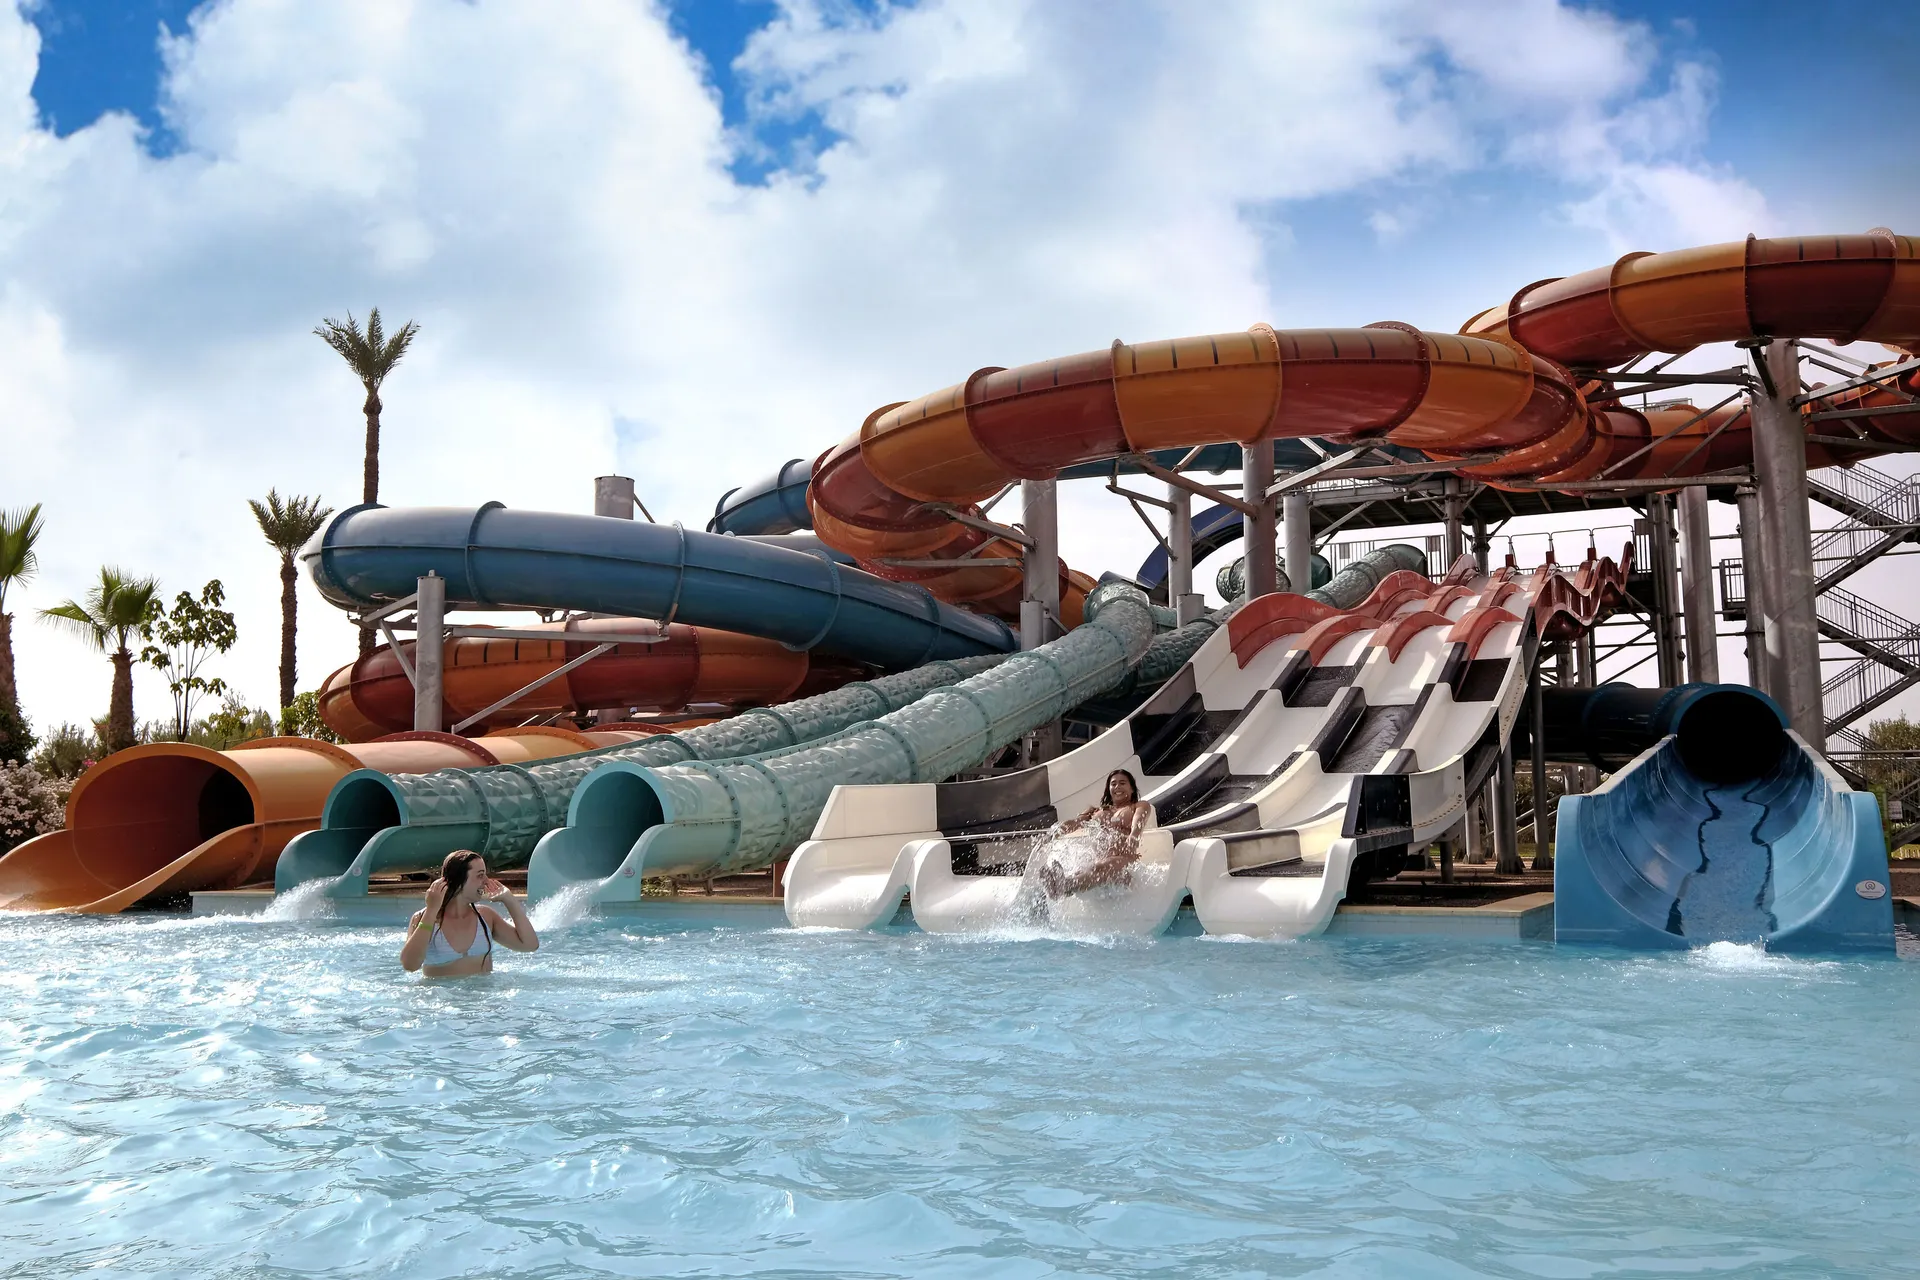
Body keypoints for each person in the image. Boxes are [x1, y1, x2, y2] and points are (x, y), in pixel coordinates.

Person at [400, 850, 539, 977]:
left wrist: (509, 899)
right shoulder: (424, 918)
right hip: (443, 996)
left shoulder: (486, 917)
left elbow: (530, 945)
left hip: (484, 996)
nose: (486, 881)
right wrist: (431, 911)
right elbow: (410, 965)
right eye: (480, 875)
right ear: (458, 880)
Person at [1040, 769, 1153, 898]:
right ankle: (1058, 888)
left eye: (1122, 783)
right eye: (1113, 784)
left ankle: (1064, 886)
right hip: (1099, 862)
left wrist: (1134, 835)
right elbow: (1074, 823)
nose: (1117, 787)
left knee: (1100, 867)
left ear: (1132, 788)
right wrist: (1054, 833)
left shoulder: (1139, 806)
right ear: (1109, 789)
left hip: (1124, 862)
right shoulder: (1095, 811)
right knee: (1083, 870)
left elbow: (1139, 820)